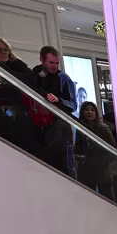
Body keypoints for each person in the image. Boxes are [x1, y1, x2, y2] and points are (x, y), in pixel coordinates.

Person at [33, 45, 78, 174]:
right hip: (38, 126)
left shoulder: (64, 79)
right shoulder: (34, 74)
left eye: (57, 63)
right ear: (42, 59)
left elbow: (73, 105)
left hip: (59, 127)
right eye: (51, 63)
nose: (55, 66)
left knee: (64, 165)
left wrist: (59, 100)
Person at [75, 101, 117, 202]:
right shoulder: (80, 128)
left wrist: (111, 169)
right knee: (88, 201)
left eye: (92, 110)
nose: (89, 112)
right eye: (86, 110)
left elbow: (113, 150)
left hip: (103, 171)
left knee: (109, 202)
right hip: (86, 171)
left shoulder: (103, 129)